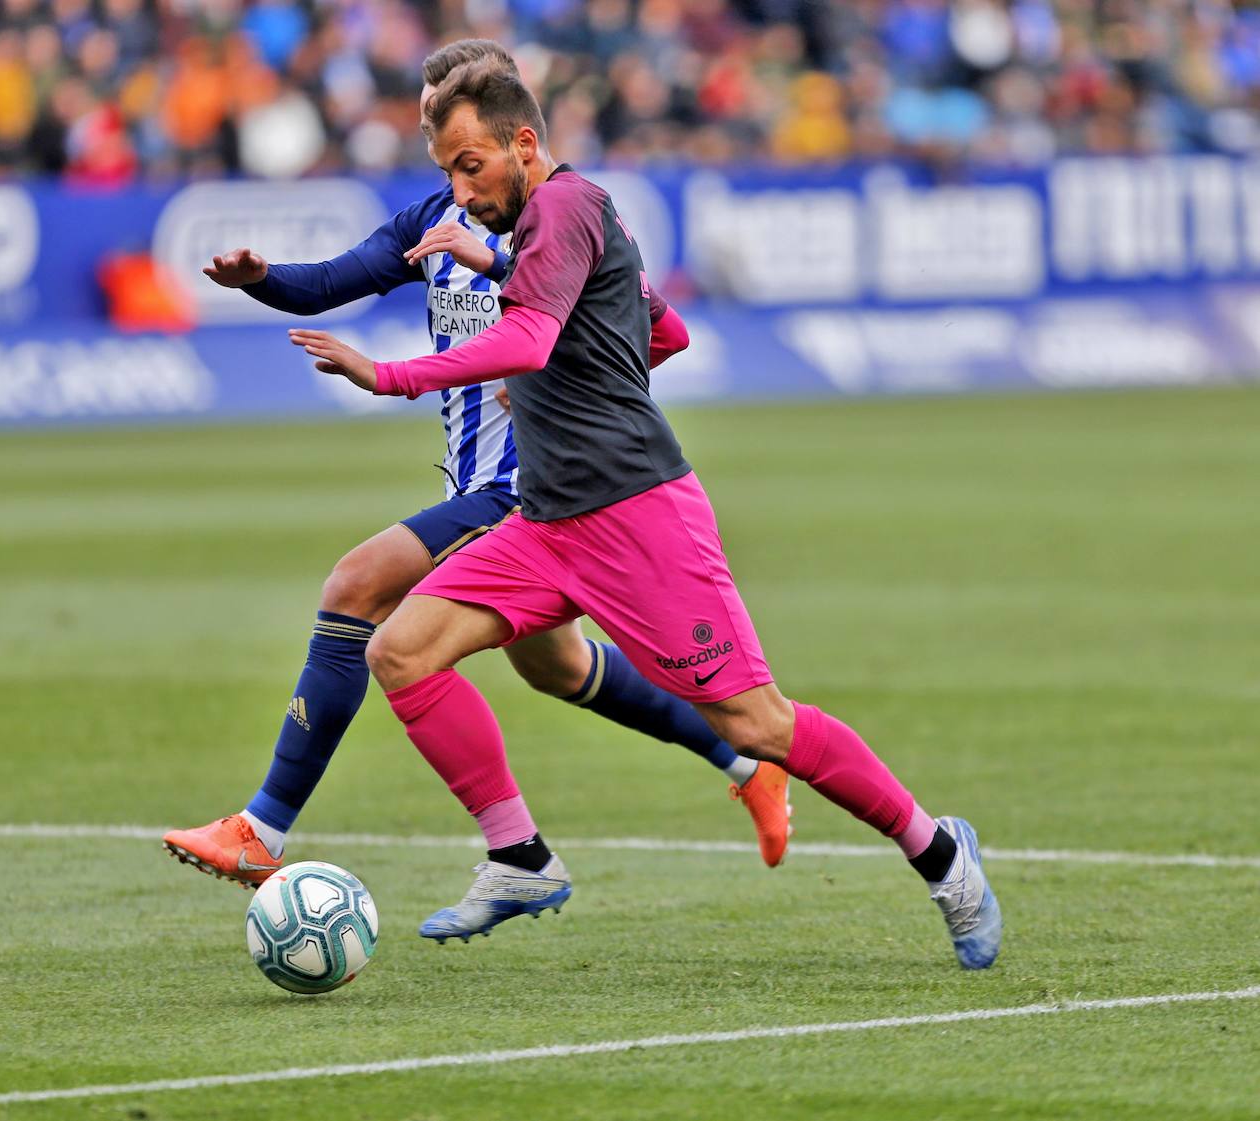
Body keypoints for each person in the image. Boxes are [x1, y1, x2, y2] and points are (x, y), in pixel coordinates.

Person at [288, 57, 1003, 968]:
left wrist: (387, 374)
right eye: (445, 175)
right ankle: (520, 854)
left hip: (639, 518)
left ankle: (942, 856)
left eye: (471, 168)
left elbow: (532, 335)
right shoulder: (542, 230)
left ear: (524, 144)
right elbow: (663, 331)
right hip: (546, 523)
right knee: (399, 649)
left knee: (757, 724)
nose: (459, 193)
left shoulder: (571, 206)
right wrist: (561, 352)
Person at [161, 40, 793, 893]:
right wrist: (260, 278)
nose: (434, 122)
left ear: (502, 118)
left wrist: (564, 392)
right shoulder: (433, 222)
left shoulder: (556, 224)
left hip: (533, 488)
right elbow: (327, 283)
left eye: (450, 108)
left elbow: (662, 331)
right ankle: (746, 762)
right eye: (429, 110)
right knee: (559, 666)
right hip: (477, 486)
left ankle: (263, 826)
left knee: (357, 585)